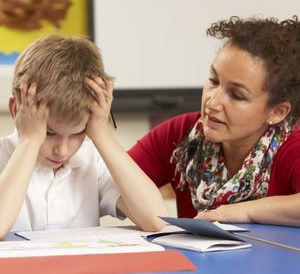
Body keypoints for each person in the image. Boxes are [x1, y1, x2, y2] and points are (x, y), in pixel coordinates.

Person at [128, 16, 300, 227]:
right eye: (214, 81)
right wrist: (100, 130)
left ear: (277, 112)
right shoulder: (181, 134)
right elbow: (107, 182)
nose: (212, 103)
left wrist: (244, 211)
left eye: (236, 95)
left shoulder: (293, 145)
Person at [0, 35, 167, 239]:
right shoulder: (4, 154)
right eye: (49, 133)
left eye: (78, 133)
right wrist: (30, 140)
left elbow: (156, 220)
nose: (62, 149)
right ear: (16, 109)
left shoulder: (92, 159)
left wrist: (100, 133)